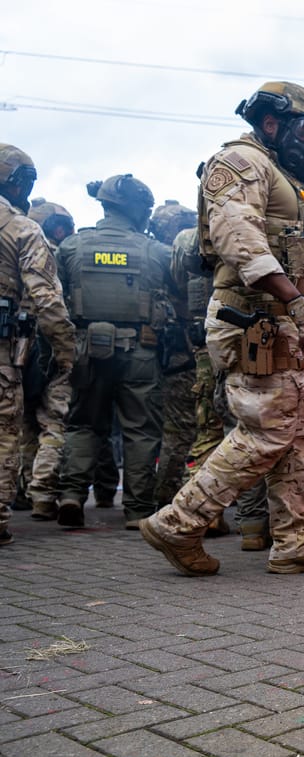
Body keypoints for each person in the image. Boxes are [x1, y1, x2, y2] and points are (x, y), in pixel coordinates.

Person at [138, 80, 304, 576]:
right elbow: (239, 235)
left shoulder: (285, 177)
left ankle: (297, 540)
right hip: (257, 319)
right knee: (264, 432)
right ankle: (179, 522)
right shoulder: (240, 162)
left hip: (284, 324)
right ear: (271, 123)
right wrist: (293, 298)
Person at [55, 174, 179, 531]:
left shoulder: (72, 247)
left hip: (87, 350)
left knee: (83, 424)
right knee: (140, 431)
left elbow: (55, 296)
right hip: (140, 349)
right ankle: (138, 510)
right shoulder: (156, 251)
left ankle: (71, 496)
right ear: (138, 209)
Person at [0, 144, 76, 545]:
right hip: (7, 351)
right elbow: (47, 299)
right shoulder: (21, 228)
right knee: (7, 431)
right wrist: (65, 350)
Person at [18, 199, 75, 517]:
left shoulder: (13, 247)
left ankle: (25, 490)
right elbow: (53, 305)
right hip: (46, 343)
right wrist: (66, 350)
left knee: (24, 423)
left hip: (17, 346)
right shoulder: (51, 254)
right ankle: (42, 493)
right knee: (53, 421)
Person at [149, 201, 201, 508]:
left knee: (171, 430)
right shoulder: (184, 259)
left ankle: (163, 495)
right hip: (185, 353)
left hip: (164, 354)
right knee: (186, 430)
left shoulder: (153, 257)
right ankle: (173, 498)